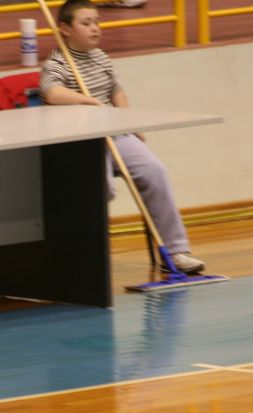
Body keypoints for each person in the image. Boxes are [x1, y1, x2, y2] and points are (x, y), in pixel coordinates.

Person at [41, 0, 206, 274]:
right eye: (86, 23)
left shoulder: (100, 57)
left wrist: (128, 120)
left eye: (97, 22)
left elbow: (117, 91)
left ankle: (176, 252)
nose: (95, 28)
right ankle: (84, 256)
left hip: (114, 134)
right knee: (103, 188)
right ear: (65, 29)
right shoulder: (56, 63)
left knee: (154, 171)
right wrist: (89, 102)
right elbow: (51, 92)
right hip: (83, 142)